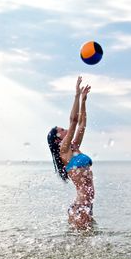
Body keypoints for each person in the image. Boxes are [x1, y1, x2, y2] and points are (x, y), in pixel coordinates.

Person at [47, 76, 95, 230]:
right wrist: (76, 95)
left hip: (86, 206)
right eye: (61, 130)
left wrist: (84, 101)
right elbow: (73, 122)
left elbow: (82, 123)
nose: (64, 130)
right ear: (57, 140)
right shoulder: (64, 150)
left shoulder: (74, 146)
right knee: (83, 246)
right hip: (80, 207)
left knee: (85, 247)